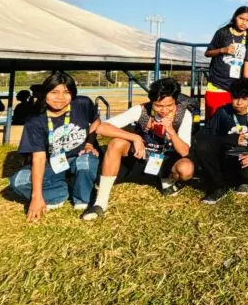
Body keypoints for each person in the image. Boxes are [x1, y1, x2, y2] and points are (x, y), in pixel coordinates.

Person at [81, 77, 195, 220]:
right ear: (151, 101)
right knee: (116, 143)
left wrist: (171, 131)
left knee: (186, 169)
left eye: (169, 105)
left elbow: (184, 151)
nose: (164, 111)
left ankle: (168, 180)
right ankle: (100, 202)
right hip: (141, 156)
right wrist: (135, 137)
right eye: (158, 106)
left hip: (166, 160)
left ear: (176, 101)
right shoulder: (141, 110)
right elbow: (102, 127)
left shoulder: (184, 115)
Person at [9, 71, 106, 221]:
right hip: (53, 162)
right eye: (54, 92)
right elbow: (39, 158)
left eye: (66, 92)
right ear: (45, 93)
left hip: (80, 156)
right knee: (19, 181)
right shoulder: (35, 120)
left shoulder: (82, 104)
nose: (60, 98)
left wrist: (89, 143)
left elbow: (96, 120)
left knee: (86, 162)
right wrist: (36, 196)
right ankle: (60, 192)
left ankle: (81, 198)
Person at [193, 78, 248, 204]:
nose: (239, 102)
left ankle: (244, 181)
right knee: (202, 146)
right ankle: (219, 187)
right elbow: (203, 136)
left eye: (244, 98)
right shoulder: (223, 112)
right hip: (227, 154)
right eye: (235, 98)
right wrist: (231, 139)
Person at [203, 6, 248, 119]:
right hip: (218, 83)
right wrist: (223, 50)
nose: (244, 22)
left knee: (234, 122)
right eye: (241, 18)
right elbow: (207, 53)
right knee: (214, 118)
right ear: (235, 17)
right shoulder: (222, 33)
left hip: (238, 88)